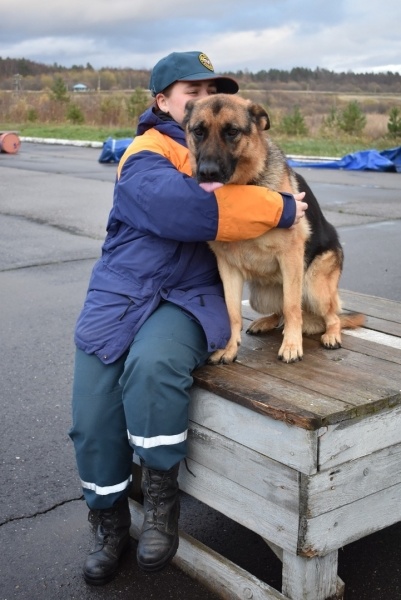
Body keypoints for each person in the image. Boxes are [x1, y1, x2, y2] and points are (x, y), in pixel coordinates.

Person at [69, 50, 308, 586]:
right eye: (191, 93)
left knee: (153, 371)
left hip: (190, 293)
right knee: (92, 411)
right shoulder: (145, 153)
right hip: (123, 290)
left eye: (213, 91)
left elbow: (263, 183)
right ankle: (107, 519)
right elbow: (184, 210)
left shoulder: (228, 148)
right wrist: (283, 208)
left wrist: (282, 206)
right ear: (163, 103)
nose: (204, 102)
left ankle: (160, 501)